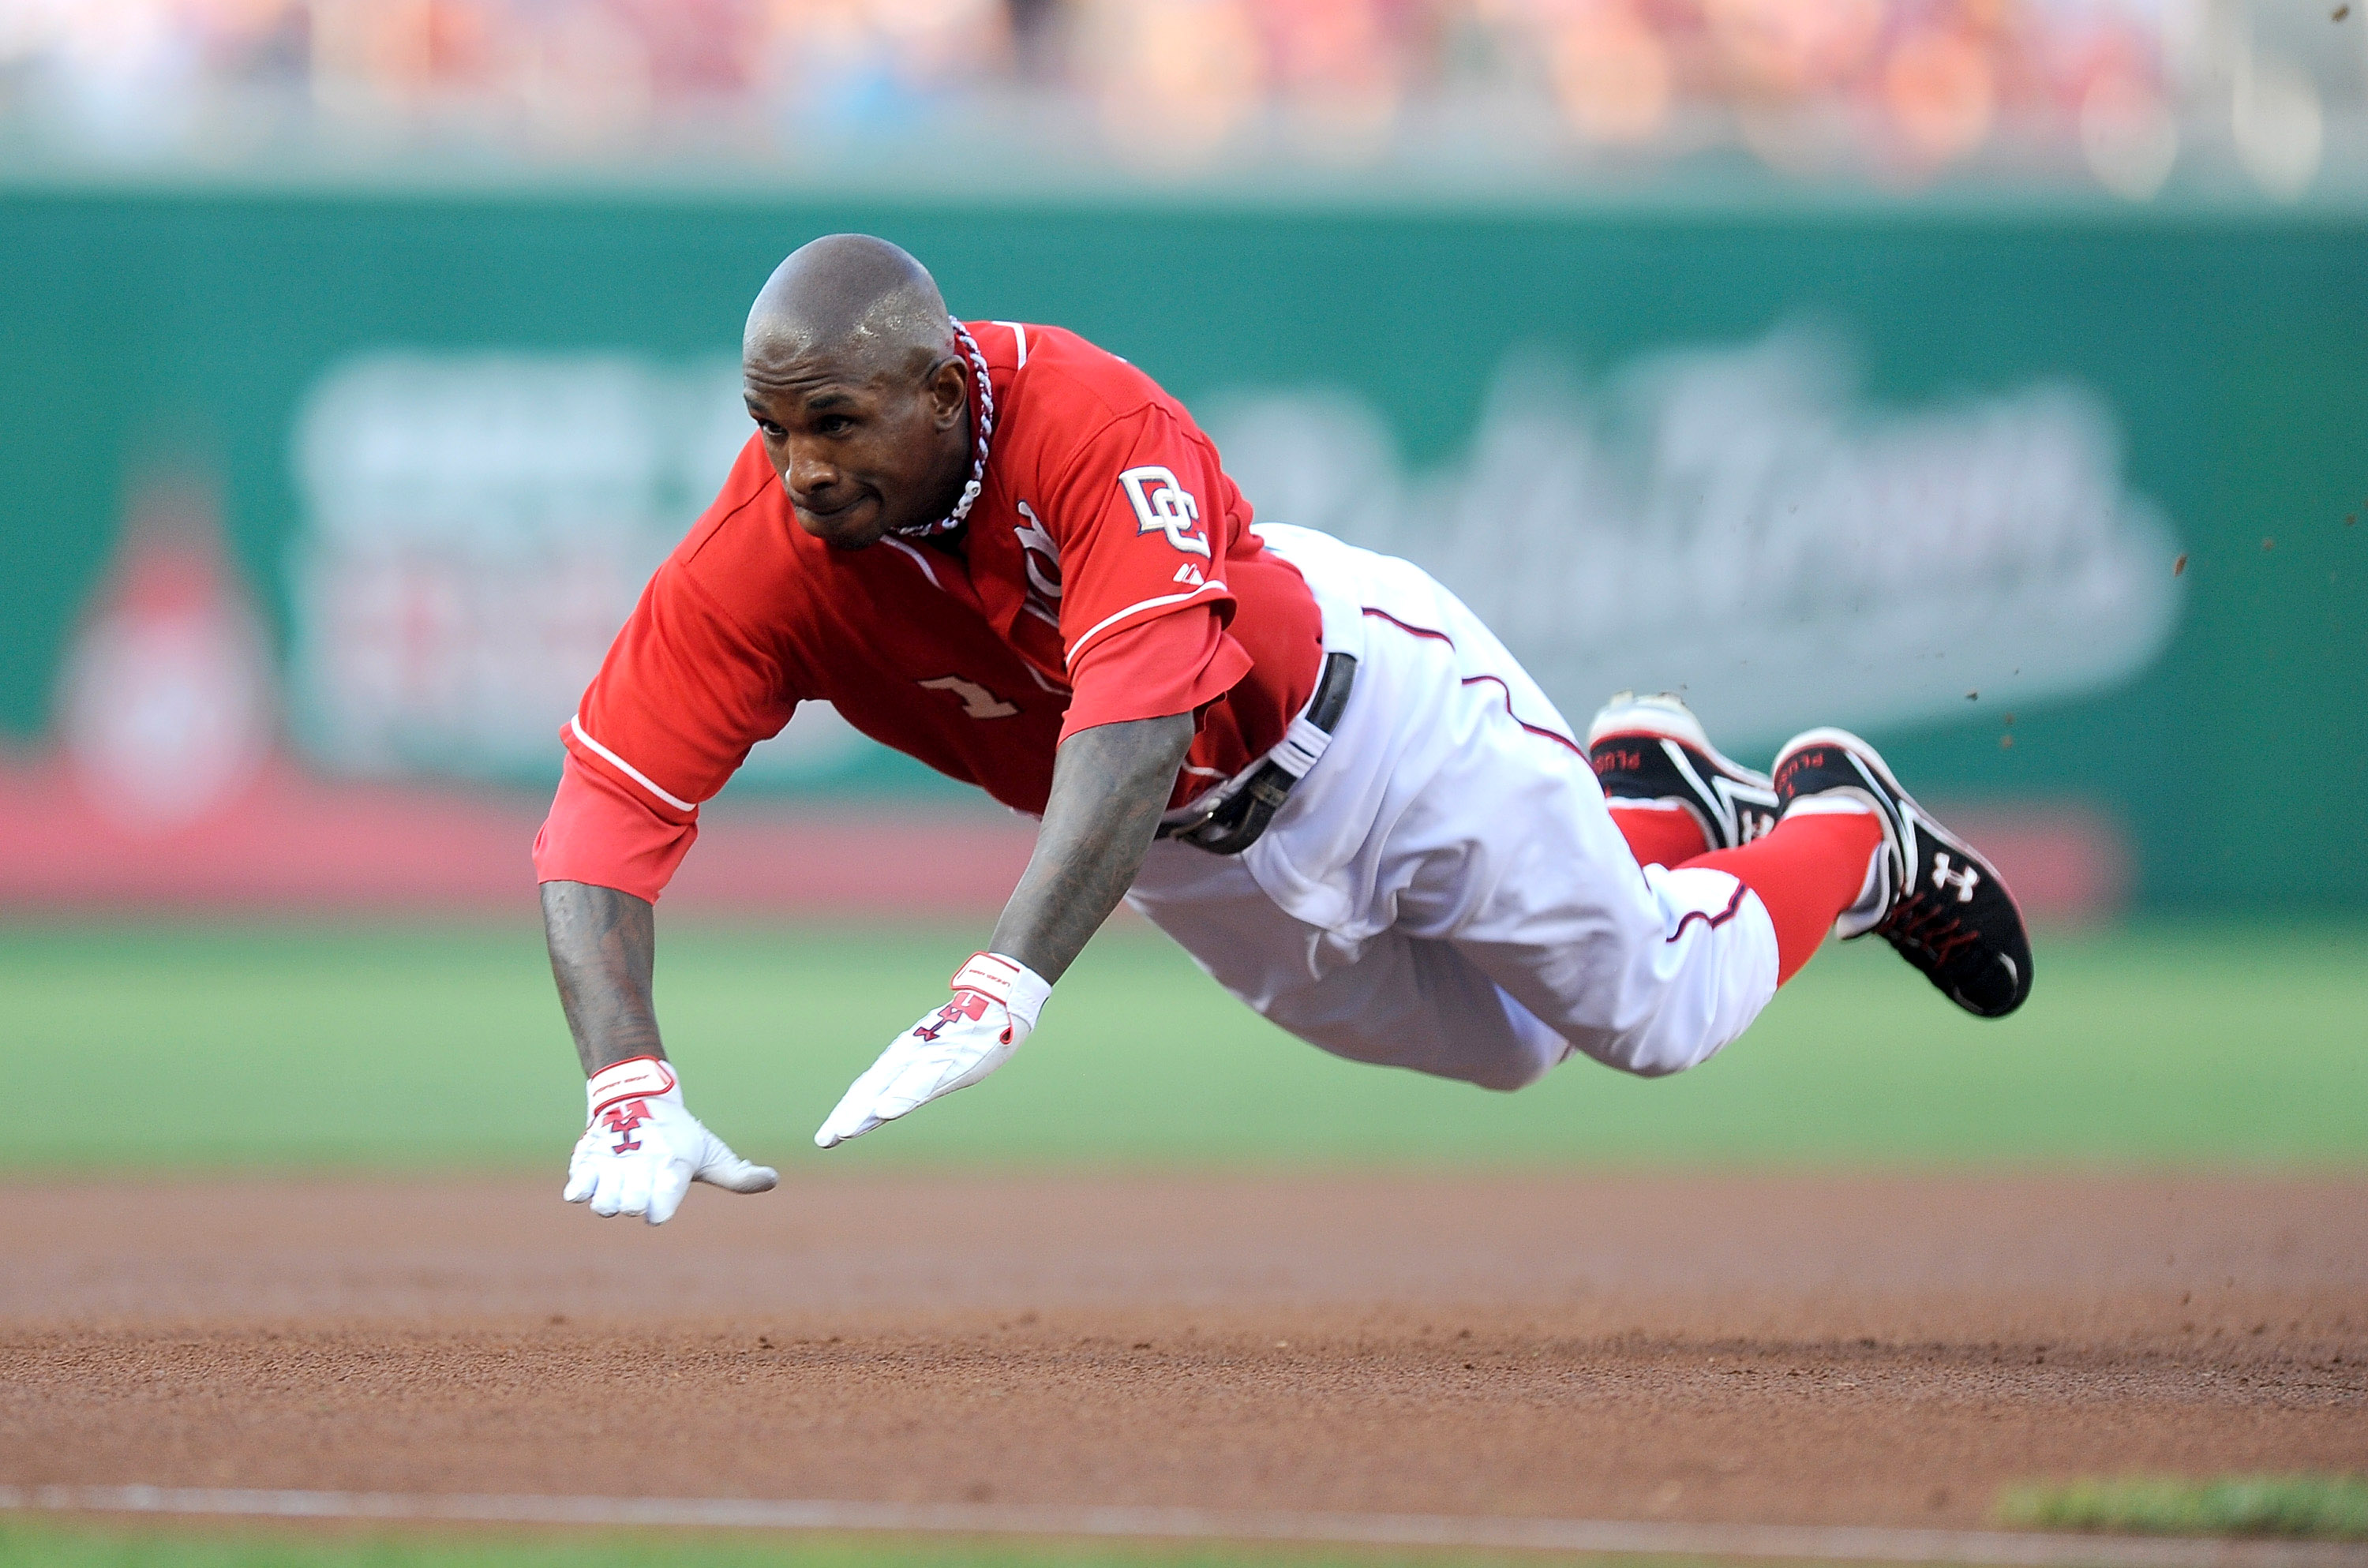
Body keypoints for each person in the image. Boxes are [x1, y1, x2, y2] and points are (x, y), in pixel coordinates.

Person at [538, 234, 2033, 1225]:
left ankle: (1854, 831)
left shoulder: (1085, 422)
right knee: (1516, 1047)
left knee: (1654, 1011)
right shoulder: (767, 556)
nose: (797, 466)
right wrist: (626, 1079)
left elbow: (1131, 726)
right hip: (1196, 861)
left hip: (1377, 724)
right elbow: (604, 810)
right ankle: (1645, 795)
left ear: (940, 388)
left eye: (835, 423)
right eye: (771, 425)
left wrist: (1003, 984)